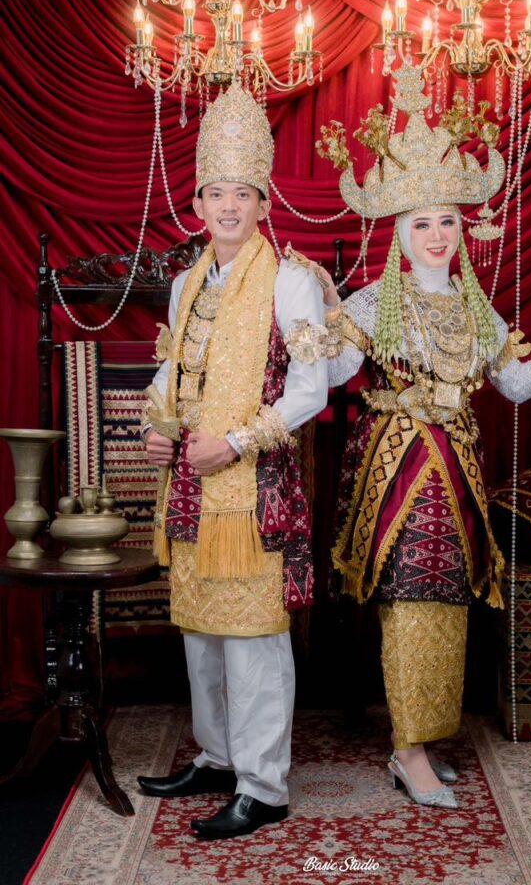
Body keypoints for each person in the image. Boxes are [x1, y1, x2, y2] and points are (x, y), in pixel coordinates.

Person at [316, 64, 531, 809]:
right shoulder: (370, 301)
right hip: (397, 464)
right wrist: (320, 321)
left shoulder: (477, 310)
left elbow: (514, 385)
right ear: (399, 232)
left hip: (457, 468)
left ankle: (423, 738)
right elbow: (332, 374)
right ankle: (408, 749)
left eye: (447, 221)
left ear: (463, 229)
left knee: (446, 593)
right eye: (421, 223)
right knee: (412, 590)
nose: (437, 235)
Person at [137, 81, 329, 840]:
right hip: (191, 484)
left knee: (252, 638)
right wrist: (158, 429)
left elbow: (311, 388)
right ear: (197, 203)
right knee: (201, 633)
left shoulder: (291, 280)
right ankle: (218, 757)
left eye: (240, 194)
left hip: (253, 486)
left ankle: (264, 785)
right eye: (214, 193)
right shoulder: (187, 283)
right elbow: (171, 375)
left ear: (262, 204)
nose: (226, 206)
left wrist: (238, 442)